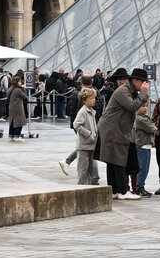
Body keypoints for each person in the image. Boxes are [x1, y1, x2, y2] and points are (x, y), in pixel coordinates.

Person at [98, 68, 142, 198]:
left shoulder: (126, 91)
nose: (122, 82)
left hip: (113, 128)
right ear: (135, 80)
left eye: (123, 79)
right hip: (113, 129)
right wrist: (144, 94)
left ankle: (114, 190)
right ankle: (122, 191)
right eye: (143, 82)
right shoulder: (123, 91)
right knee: (118, 159)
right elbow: (133, 106)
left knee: (113, 160)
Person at [60, 86, 98, 184]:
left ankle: (87, 187)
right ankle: (81, 187)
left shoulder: (91, 111)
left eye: (94, 98)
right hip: (84, 145)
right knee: (83, 169)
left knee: (90, 170)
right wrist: (89, 134)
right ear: (85, 100)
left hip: (90, 145)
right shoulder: (83, 111)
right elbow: (76, 125)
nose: (94, 100)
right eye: (92, 98)